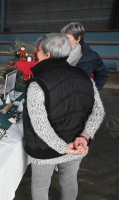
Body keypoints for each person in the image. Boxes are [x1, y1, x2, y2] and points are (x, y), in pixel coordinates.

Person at [23, 33, 105, 200]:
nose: (36, 53)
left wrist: (62, 147)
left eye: (38, 50)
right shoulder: (84, 77)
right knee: (69, 180)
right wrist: (84, 136)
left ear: (47, 54)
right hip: (77, 144)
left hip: (46, 149)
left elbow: (40, 125)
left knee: (40, 187)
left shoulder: (38, 84)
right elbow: (98, 111)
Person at [60, 22, 109, 91]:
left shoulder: (91, 56)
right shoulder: (55, 52)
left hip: (78, 96)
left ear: (78, 39)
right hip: (58, 94)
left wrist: (93, 91)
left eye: (67, 38)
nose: (63, 41)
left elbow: (103, 74)